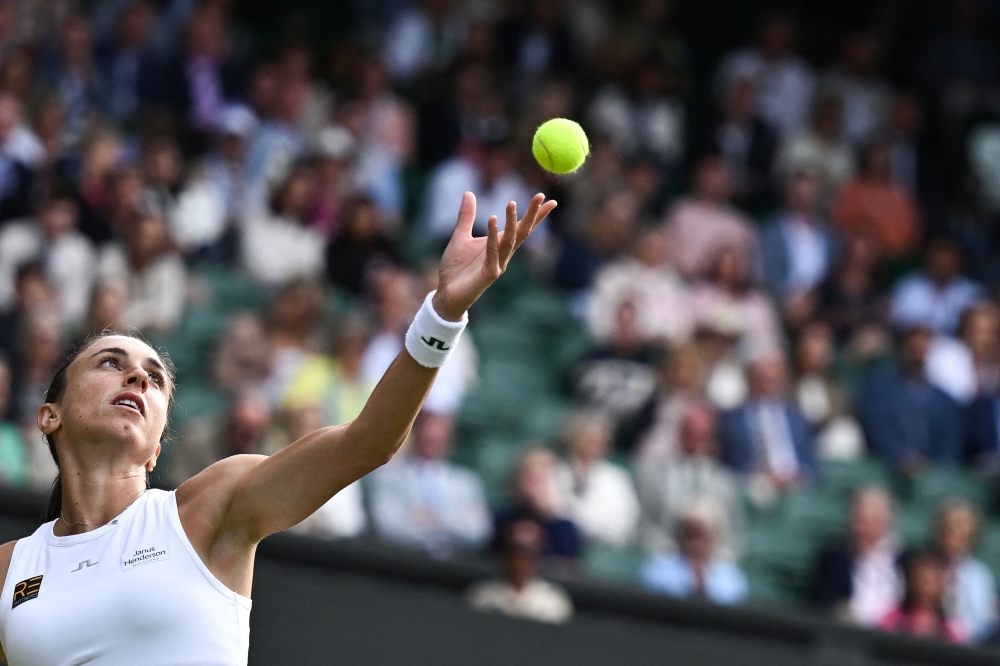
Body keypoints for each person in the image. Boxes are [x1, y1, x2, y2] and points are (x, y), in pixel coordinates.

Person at [0, 190, 555, 665]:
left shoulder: (210, 507)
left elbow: (368, 443)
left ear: (156, 449)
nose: (137, 379)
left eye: (154, 377)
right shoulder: (9, 570)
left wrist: (442, 313)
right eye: (109, 362)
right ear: (49, 415)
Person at [369, 410, 492, 557]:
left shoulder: (467, 483)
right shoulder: (389, 476)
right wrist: (440, 534)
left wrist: (435, 521)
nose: (432, 436)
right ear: (415, 433)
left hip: (453, 567)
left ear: (449, 438)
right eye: (427, 429)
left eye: (440, 431)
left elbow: (478, 532)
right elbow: (387, 526)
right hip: (402, 562)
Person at [637, 402, 745, 561]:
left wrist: (713, 561)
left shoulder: (726, 483)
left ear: (712, 439)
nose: (696, 443)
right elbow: (645, 528)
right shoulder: (654, 476)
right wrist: (671, 554)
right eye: (690, 434)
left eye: (703, 437)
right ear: (680, 435)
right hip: (664, 558)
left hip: (714, 565)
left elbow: (736, 538)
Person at [857, 324, 963, 472]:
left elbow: (949, 442)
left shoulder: (943, 399)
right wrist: (900, 456)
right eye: (914, 349)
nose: (918, 355)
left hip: (933, 471)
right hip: (888, 467)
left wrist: (936, 466)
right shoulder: (880, 387)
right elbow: (878, 429)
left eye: (923, 350)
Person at [717, 351, 817, 494]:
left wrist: (797, 474)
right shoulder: (733, 418)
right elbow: (730, 462)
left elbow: (811, 462)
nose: (767, 384)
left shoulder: (797, 417)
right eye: (762, 378)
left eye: (772, 379)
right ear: (751, 379)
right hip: (754, 485)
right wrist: (759, 475)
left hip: (795, 483)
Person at [813, 485, 903, 627]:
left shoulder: (903, 560)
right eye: (856, 520)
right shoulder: (834, 559)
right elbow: (825, 602)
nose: (858, 528)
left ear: (884, 523)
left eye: (867, 522)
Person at [553, 412, 640, 548]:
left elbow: (626, 521)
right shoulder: (556, 470)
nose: (595, 443)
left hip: (605, 547)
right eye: (589, 437)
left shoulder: (618, 477)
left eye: (601, 439)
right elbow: (556, 510)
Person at [466, 520, 574, 624]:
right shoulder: (483, 597)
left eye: (526, 551)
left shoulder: (553, 602)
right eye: (514, 550)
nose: (520, 559)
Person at [642, 504, 749, 605]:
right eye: (688, 536)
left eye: (699, 537)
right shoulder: (658, 568)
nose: (693, 544)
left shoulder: (730, 576)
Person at [833, 141, 921, 260]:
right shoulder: (852, 193)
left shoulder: (901, 195)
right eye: (874, 163)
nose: (878, 168)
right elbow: (841, 227)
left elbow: (913, 233)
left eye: (883, 163)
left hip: (897, 259)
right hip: (861, 260)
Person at [495, 448, 582, 562]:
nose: (538, 487)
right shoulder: (502, 518)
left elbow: (565, 565)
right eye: (533, 480)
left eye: (544, 480)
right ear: (518, 481)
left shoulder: (565, 528)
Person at [934, 500, 997, 643]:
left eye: (961, 534)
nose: (953, 540)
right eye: (949, 532)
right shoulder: (927, 567)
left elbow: (982, 623)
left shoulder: (979, 574)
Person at [879, 551, 964, 643]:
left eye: (929, 582)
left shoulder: (950, 632)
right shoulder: (892, 620)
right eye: (918, 580)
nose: (922, 587)